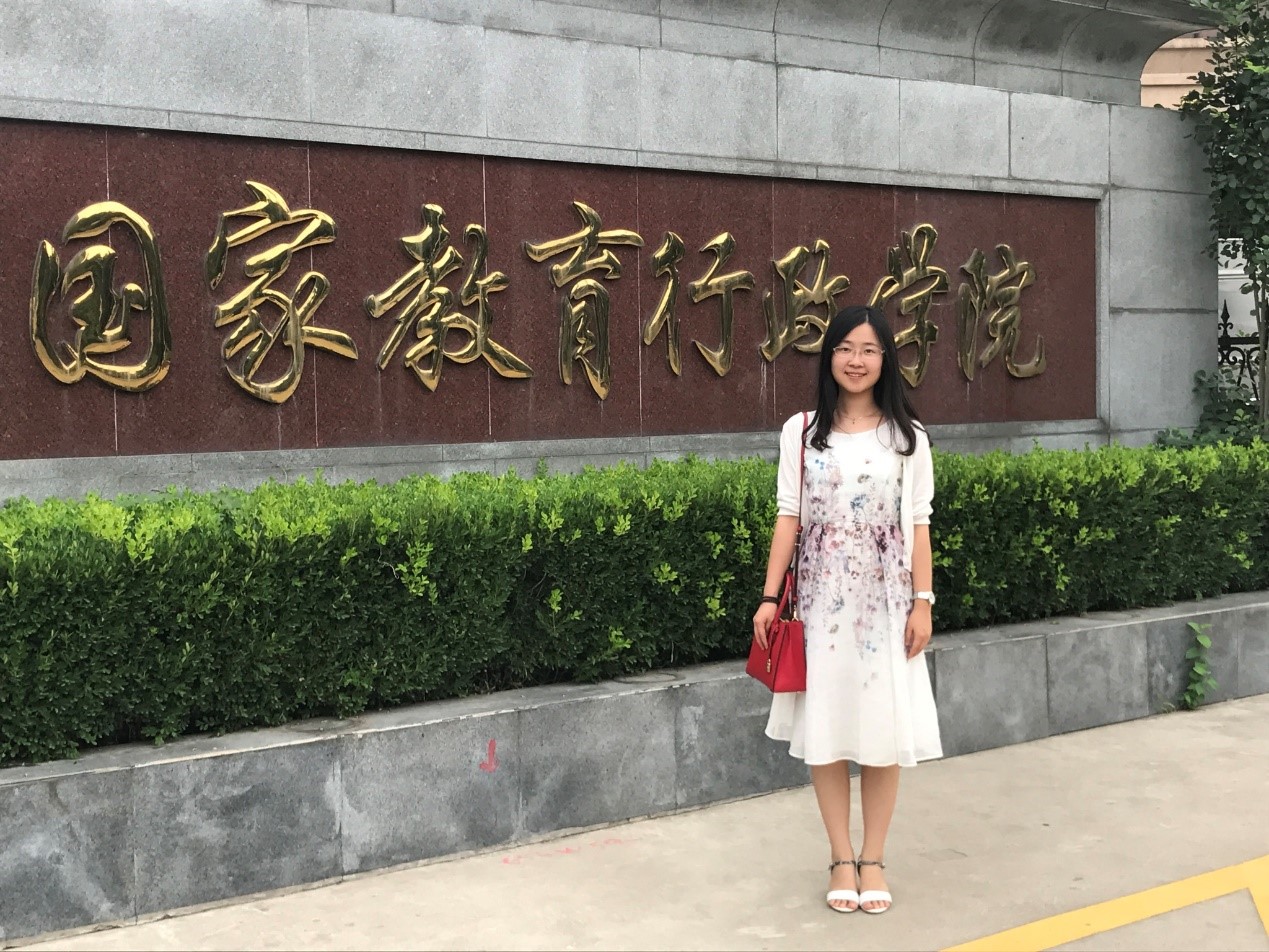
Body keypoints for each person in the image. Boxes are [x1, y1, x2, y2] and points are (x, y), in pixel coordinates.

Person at [751, 304, 943, 915]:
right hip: (822, 607)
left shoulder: (908, 438)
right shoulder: (802, 431)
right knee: (827, 726)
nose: (855, 361)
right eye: (844, 348)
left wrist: (922, 603)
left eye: (868, 350)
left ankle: (874, 857)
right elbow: (789, 516)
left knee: (885, 729)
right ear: (829, 355)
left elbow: (919, 525)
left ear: (885, 360)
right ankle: (840, 856)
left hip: (887, 605)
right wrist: (769, 596)